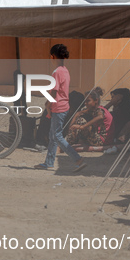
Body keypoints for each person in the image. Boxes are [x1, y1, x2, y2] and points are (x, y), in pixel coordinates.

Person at [34, 44, 86, 172]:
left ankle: (77, 159)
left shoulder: (57, 72)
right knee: (53, 136)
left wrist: (48, 104)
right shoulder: (65, 70)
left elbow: (54, 91)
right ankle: (49, 162)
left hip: (58, 107)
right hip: (63, 106)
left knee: (57, 136)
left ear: (53, 57)